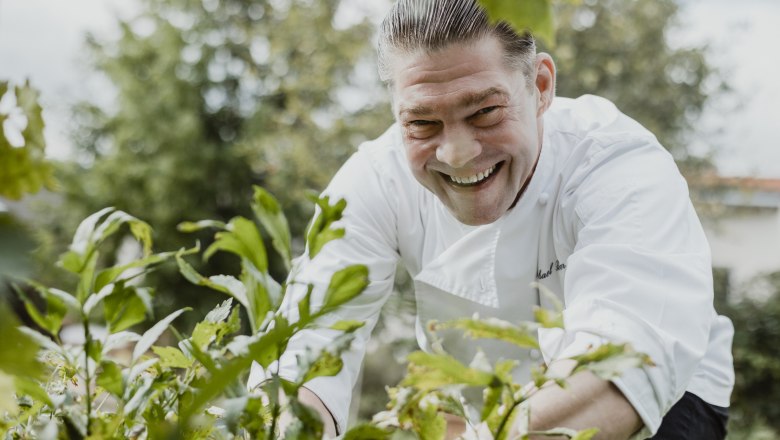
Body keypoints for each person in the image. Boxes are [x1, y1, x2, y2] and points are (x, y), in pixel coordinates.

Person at [248, 0, 735, 438]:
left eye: (484, 112)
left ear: (540, 86)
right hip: (483, 409)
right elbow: (306, 346)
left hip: (665, 397)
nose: (457, 154)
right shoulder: (374, 180)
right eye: (422, 123)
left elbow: (624, 362)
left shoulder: (615, 163)